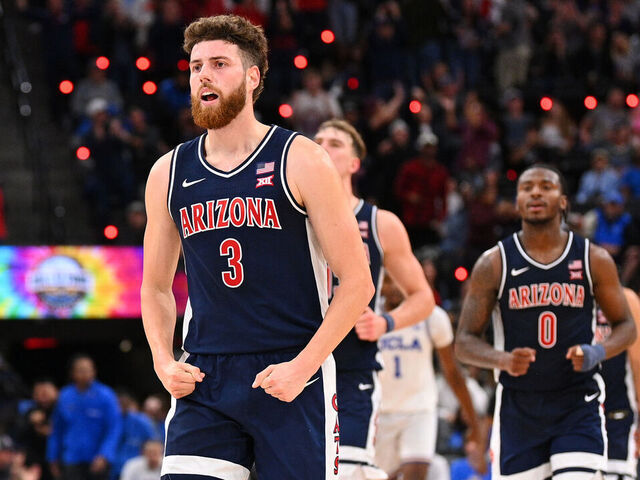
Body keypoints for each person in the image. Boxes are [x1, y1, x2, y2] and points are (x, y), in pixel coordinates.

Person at [140, 15, 373, 480]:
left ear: (252, 78)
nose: (203, 74)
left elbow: (357, 283)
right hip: (204, 376)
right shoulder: (168, 171)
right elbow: (157, 288)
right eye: (195, 66)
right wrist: (163, 360)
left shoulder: (301, 158)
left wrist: (303, 367)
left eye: (219, 64)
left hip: (289, 369)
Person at [455, 163, 637, 480]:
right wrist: (503, 359)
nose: (536, 192)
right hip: (519, 409)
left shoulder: (593, 258)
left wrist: (596, 352)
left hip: (577, 402)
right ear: (517, 202)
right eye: (527, 188)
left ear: (564, 201)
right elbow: (464, 342)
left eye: (546, 186)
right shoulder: (494, 263)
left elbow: (627, 326)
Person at [314, 119, 435, 480]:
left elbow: (423, 297)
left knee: (348, 473)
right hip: (294, 363)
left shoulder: (380, 223)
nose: (322, 146)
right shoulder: (289, 218)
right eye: (317, 140)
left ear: (354, 163)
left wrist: (385, 322)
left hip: (352, 367)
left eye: (335, 143)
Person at [375, 274, 485, 480]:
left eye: (399, 280)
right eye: (389, 281)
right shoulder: (369, 315)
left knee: (416, 472)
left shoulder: (431, 316)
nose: (395, 288)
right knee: (382, 475)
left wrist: (474, 423)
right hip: (381, 412)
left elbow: (452, 372)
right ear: (380, 283)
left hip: (419, 409)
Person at [46, 355, 121, 480]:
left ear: (94, 371)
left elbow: (114, 428)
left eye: (88, 370)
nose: (85, 374)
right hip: (71, 458)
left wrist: (105, 454)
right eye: (80, 370)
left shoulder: (106, 395)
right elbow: (56, 430)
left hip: (97, 458)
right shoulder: (65, 396)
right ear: (73, 373)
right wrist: (53, 457)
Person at [597, 288, 640, 480]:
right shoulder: (567, 293)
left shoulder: (625, 298)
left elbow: (638, 361)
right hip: (575, 413)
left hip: (617, 414)